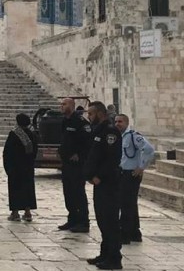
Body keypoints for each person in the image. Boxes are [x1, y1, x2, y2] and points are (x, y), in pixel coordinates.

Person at [84, 102, 123, 270]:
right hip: (98, 183)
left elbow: (112, 159)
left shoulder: (110, 132)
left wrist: (99, 176)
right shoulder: (98, 131)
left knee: (110, 220)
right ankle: (105, 252)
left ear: (100, 114)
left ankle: (114, 258)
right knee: (102, 219)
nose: (89, 117)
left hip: (108, 182)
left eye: (91, 114)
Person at [115, 114, 154, 244]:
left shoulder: (133, 136)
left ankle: (125, 234)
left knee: (126, 204)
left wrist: (141, 167)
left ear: (126, 123)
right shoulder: (119, 137)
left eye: (120, 121)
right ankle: (134, 232)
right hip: (122, 173)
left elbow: (148, 149)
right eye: (116, 121)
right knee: (129, 204)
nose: (117, 124)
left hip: (131, 174)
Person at [57, 97, 92, 233]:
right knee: (68, 192)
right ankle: (72, 219)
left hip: (77, 164)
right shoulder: (65, 121)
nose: (61, 106)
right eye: (61, 104)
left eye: (64, 104)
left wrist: (80, 154)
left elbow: (88, 141)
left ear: (72, 106)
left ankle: (83, 221)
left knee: (78, 193)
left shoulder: (80, 121)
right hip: (66, 163)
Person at [3, 113, 38, 222]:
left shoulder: (14, 134)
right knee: (28, 189)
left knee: (15, 189)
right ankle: (28, 212)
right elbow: (34, 150)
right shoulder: (31, 134)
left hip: (15, 167)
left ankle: (15, 213)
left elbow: (7, 152)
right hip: (27, 167)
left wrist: (7, 167)